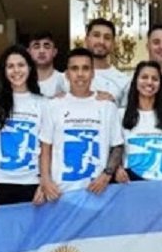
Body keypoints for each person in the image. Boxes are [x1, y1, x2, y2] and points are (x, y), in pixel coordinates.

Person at [39, 47, 124, 196]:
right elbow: (45, 148)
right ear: (67, 74)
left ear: (93, 73)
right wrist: (45, 180)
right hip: (61, 192)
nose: (80, 74)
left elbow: (117, 146)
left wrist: (106, 175)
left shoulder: (107, 106)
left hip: (97, 192)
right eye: (74, 68)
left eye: (85, 68)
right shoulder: (53, 106)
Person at [0, 45, 48, 208]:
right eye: (10, 66)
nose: (16, 71)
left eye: (21, 65)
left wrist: (44, 183)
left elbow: (46, 150)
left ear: (30, 68)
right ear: (4, 71)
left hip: (32, 183)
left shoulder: (43, 103)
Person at [116, 60, 162, 182]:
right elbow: (114, 151)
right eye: (144, 77)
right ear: (135, 81)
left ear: (160, 84)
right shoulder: (120, 115)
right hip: (132, 183)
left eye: (155, 79)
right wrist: (117, 169)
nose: (149, 82)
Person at [83, 18, 129, 105]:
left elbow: (126, 112)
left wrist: (112, 103)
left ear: (113, 44)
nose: (101, 41)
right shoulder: (68, 78)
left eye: (107, 38)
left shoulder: (124, 81)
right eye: (96, 35)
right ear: (86, 40)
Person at [27, 31, 65, 98]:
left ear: (54, 52)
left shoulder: (65, 80)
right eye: (36, 47)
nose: (41, 51)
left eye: (47, 47)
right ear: (29, 52)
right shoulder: (21, 82)